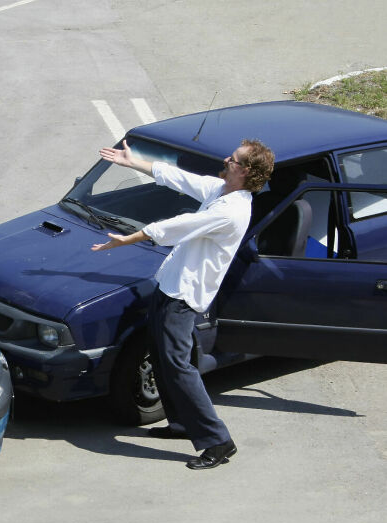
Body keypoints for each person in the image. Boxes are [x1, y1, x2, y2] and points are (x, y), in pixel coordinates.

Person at [92, 138, 274, 470]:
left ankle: (218, 441)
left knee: (177, 366)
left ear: (245, 171)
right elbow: (179, 177)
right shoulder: (222, 190)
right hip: (171, 286)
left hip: (183, 296)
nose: (225, 159)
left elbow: (180, 226)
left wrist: (130, 238)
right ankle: (180, 424)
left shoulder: (231, 210)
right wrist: (133, 162)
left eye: (232, 159)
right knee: (164, 357)